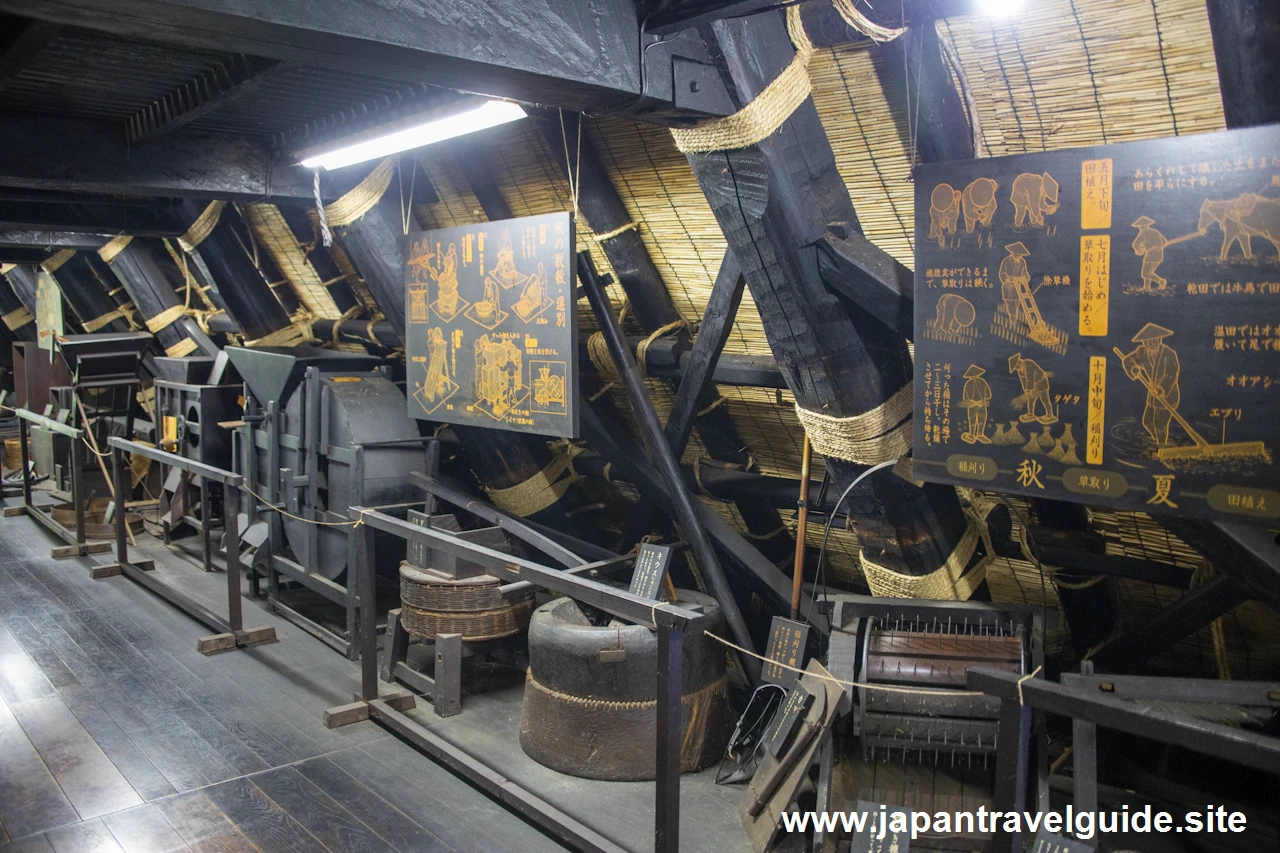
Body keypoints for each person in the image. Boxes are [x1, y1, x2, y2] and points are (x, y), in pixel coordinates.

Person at [1120, 323, 1180, 445]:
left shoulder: (1169, 354)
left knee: (1160, 424)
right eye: (1149, 341)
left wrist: (1161, 388)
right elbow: (1127, 360)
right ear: (1144, 342)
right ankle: (1157, 439)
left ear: (1160, 339)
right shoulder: (1141, 352)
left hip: (1167, 395)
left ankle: (1162, 445)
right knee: (1147, 422)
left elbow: (1171, 374)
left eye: (1155, 340)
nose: (1152, 343)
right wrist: (1134, 369)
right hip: (1152, 395)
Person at [1008, 352, 1055, 424]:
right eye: (1016, 368)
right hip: (1033, 386)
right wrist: (1026, 391)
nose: (1017, 369)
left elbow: (1030, 378)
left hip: (1041, 383)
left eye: (1017, 366)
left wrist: (1029, 390)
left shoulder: (1028, 363)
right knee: (1031, 400)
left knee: (1044, 399)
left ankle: (1049, 415)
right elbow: (1023, 381)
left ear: (1019, 362)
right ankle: (1030, 414)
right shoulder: (1020, 371)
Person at [1131, 216, 1168, 291]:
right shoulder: (1155, 231)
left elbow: (1135, 244)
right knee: (1149, 271)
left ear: (1141, 226)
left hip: (1151, 254)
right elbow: (1164, 241)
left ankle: (1161, 281)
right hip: (1159, 253)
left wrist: (1139, 250)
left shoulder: (1143, 233)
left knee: (1145, 273)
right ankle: (1147, 287)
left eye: (1140, 226)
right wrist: (1158, 246)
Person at [999, 242, 1031, 321]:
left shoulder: (1023, 262)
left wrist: (1026, 278)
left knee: (1017, 304)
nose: (1018, 256)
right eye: (1017, 254)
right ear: (1013, 253)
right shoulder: (1006, 261)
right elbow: (1002, 273)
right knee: (1011, 305)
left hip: (1018, 288)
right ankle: (1013, 320)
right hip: (1008, 287)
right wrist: (1007, 281)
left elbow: (1025, 273)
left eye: (1020, 254)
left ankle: (1014, 319)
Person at [961, 365, 992, 444]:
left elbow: (965, 397)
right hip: (978, 404)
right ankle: (977, 434)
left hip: (976, 404)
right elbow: (988, 395)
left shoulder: (969, 383)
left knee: (975, 419)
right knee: (978, 418)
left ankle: (975, 435)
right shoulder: (982, 381)